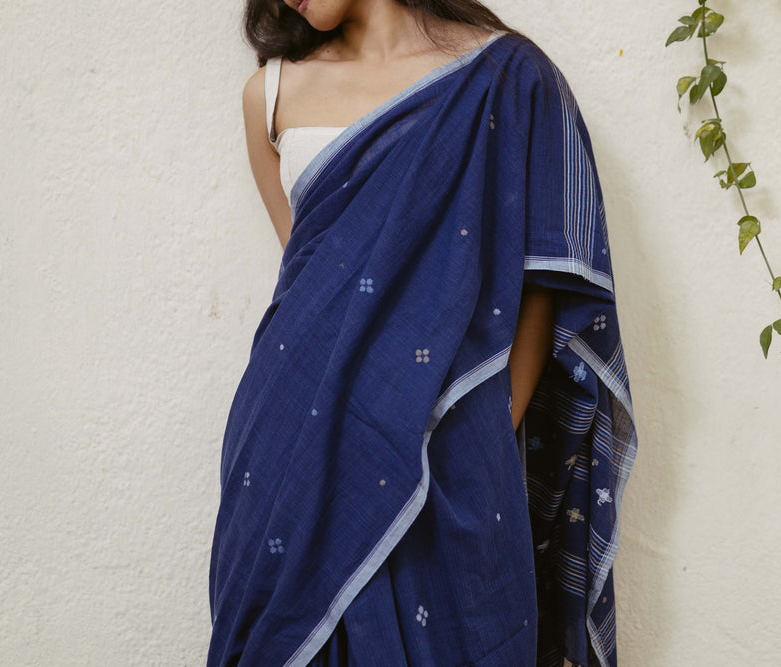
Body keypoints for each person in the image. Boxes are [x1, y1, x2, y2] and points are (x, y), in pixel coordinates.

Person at [208, 1, 640, 666]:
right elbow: (314, 291)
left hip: (451, 448)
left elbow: (539, 291)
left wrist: (486, 431)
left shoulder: (508, 79)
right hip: (287, 451)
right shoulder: (267, 95)